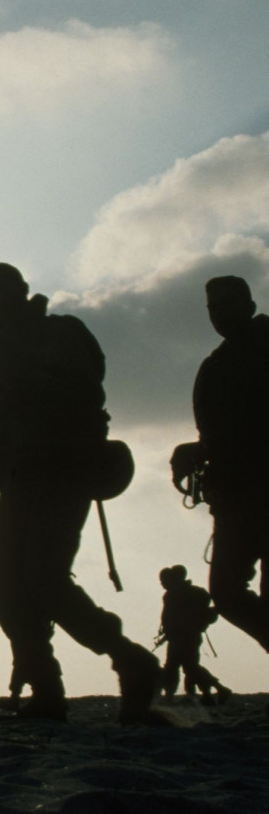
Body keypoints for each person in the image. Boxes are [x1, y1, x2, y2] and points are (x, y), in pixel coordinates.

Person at [0, 262, 159, 723]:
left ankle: (130, 660)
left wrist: (5, 418)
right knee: (9, 594)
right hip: (19, 475)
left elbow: (79, 393)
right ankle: (46, 691)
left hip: (62, 469)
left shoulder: (60, 333)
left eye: (2, 290)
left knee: (44, 581)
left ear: (23, 291)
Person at [171, 276, 269, 660]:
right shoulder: (216, 365)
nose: (221, 315)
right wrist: (196, 450)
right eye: (214, 308)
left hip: (255, 491)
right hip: (234, 496)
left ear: (248, 304)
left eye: (228, 305)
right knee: (227, 593)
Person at [156, 565, 229, 704]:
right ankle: (209, 693)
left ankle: (171, 696)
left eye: (164, 581)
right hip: (189, 636)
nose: (163, 584)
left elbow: (174, 619)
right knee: (190, 667)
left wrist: (169, 632)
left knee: (178, 667)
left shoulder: (173, 595)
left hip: (182, 637)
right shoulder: (193, 593)